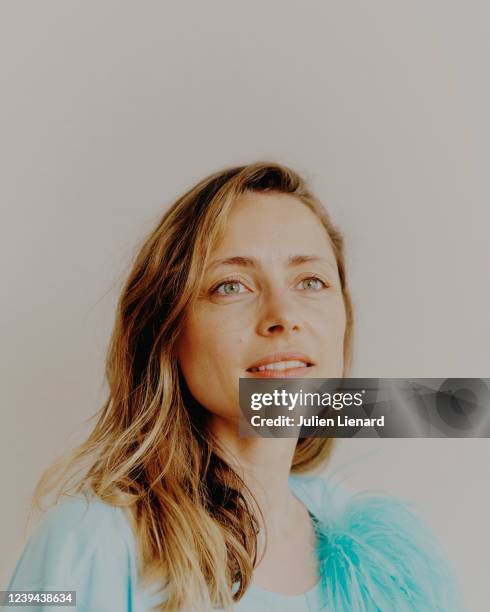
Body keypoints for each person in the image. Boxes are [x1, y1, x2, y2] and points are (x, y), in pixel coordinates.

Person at [7, 162, 463, 611]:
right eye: (231, 286)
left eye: (311, 280)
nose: (284, 316)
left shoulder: (372, 552)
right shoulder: (86, 541)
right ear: (165, 332)